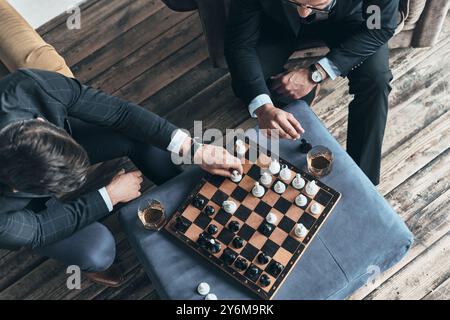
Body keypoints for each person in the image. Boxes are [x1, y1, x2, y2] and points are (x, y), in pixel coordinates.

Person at [0, 68, 243, 286]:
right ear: (15, 189)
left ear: (40, 122)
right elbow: (39, 230)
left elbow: (120, 113)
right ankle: (94, 268)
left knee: (139, 135)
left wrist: (194, 149)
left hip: (33, 157)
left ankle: (189, 199)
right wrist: (109, 195)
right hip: (24, 211)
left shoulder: (28, 88)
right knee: (97, 250)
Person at [224, 0, 399, 185]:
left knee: (376, 81)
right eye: (297, 2)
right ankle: (301, 96)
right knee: (254, 87)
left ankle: (364, 183)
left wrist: (316, 73)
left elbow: (379, 28)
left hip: (349, 20)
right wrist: (263, 108)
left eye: (315, 4)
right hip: (277, 23)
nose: (303, 14)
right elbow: (240, 46)